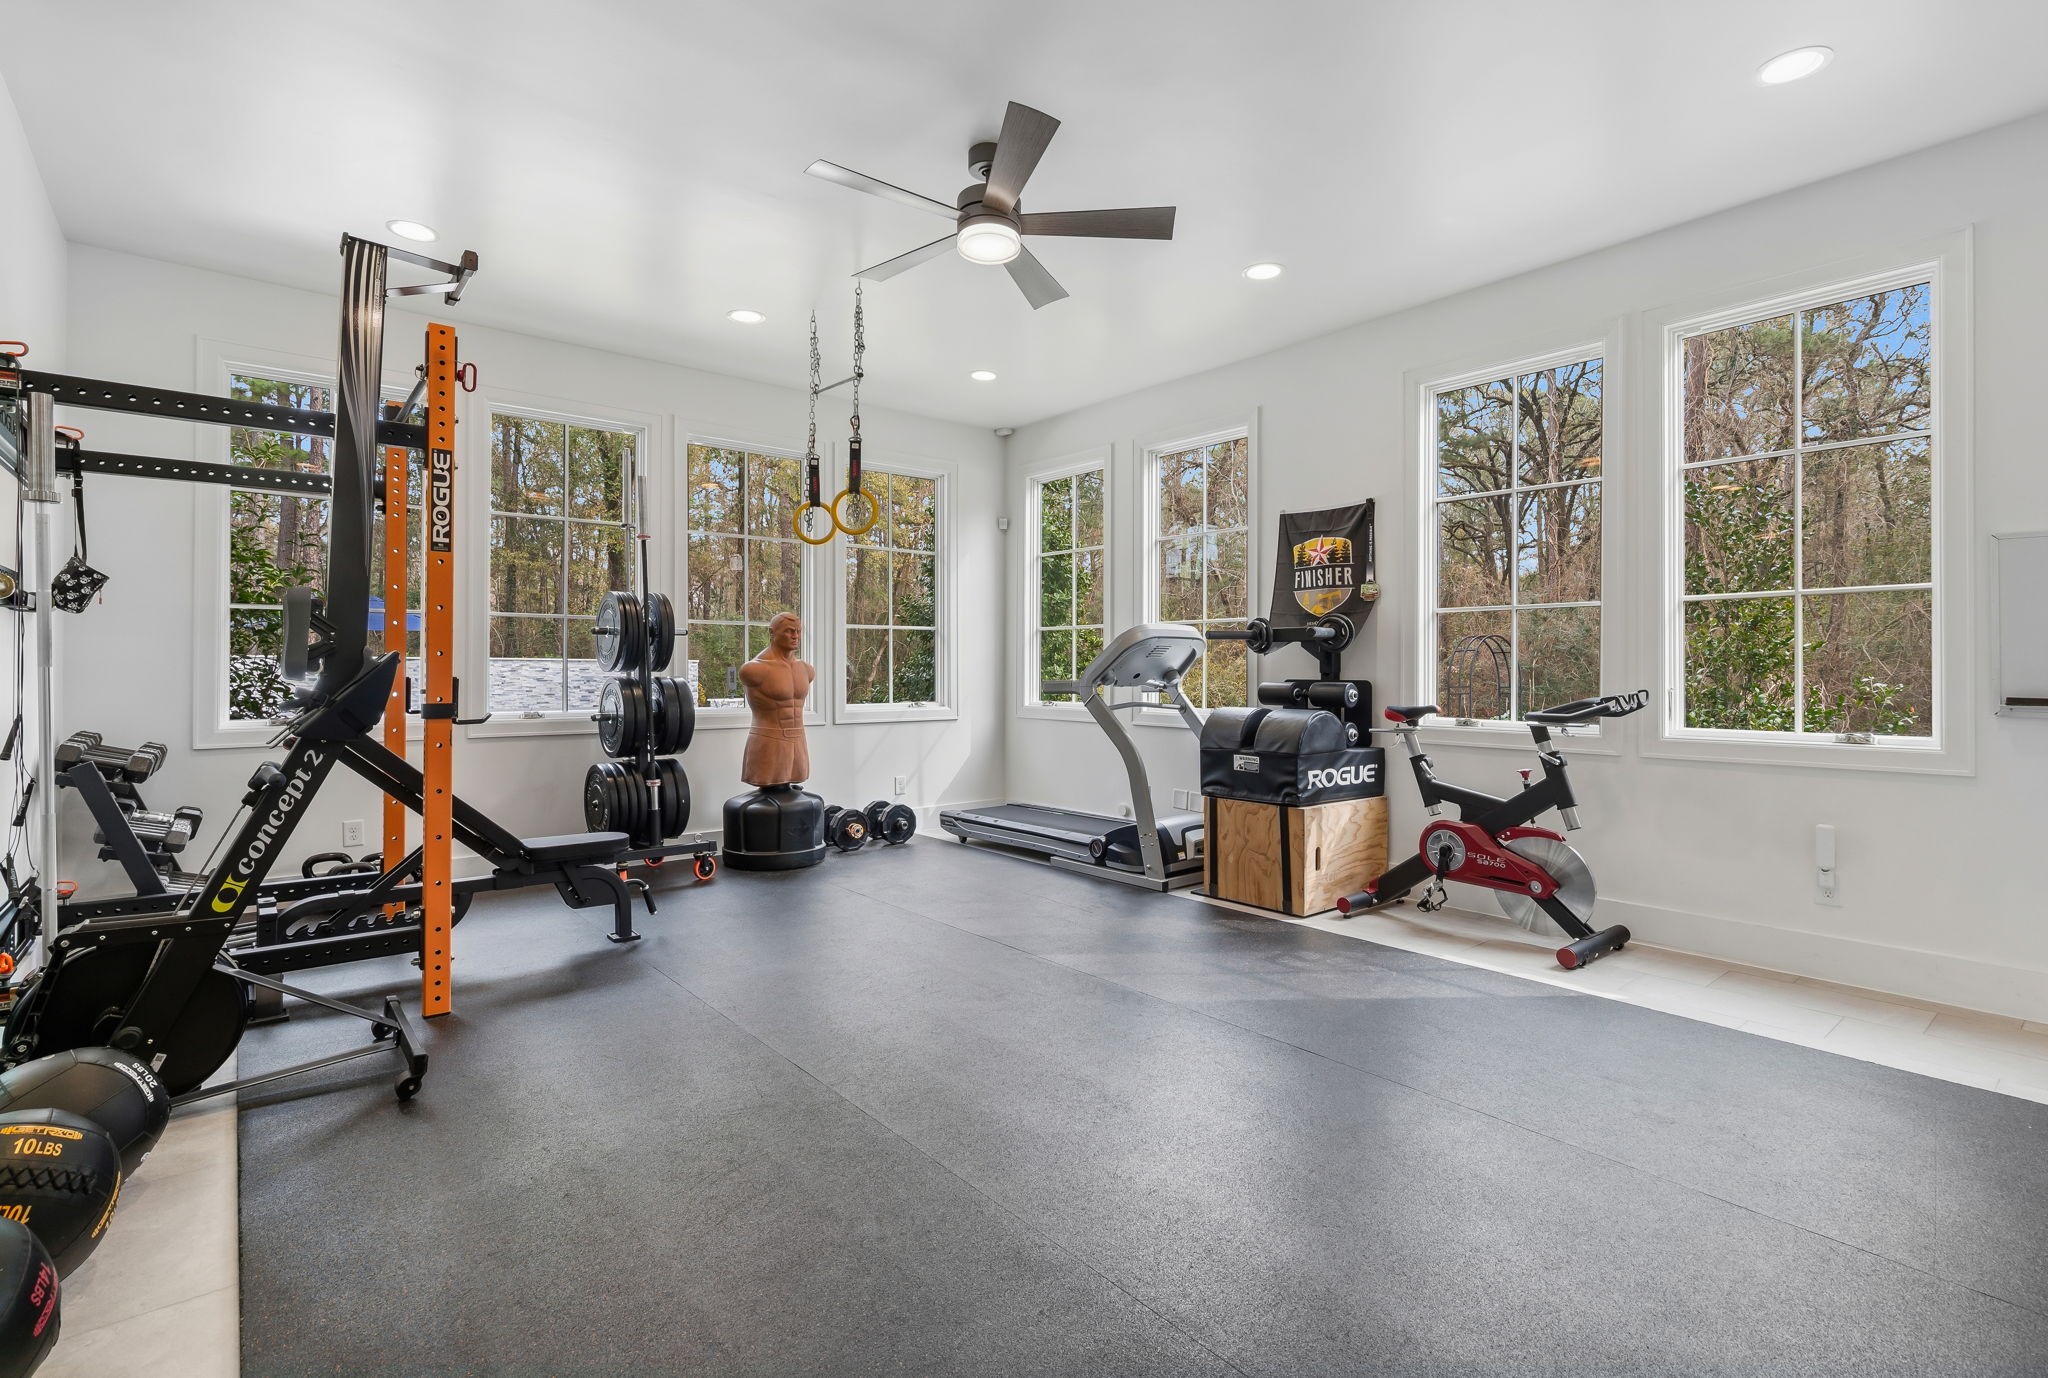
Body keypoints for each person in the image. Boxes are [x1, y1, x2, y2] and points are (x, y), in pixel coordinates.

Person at [738, 612, 814, 787]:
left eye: (798, 631)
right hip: (768, 741)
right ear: (772, 633)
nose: (795, 636)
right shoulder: (754, 670)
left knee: (792, 796)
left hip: (799, 740)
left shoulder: (806, 670)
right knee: (770, 799)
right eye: (789, 631)